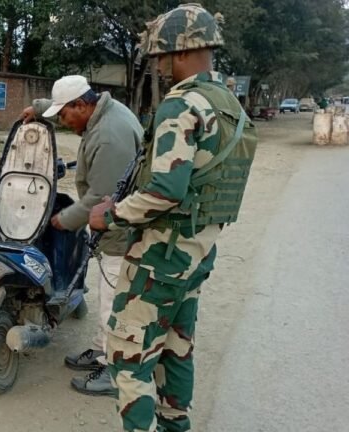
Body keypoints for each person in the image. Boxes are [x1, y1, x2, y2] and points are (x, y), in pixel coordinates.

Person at [88, 4, 258, 431]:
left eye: (160, 56)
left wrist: (110, 217)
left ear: (180, 53)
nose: (158, 66)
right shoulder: (229, 105)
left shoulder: (182, 104)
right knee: (176, 347)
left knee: (128, 357)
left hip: (160, 258)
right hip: (196, 253)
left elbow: (165, 189)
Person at [21, 75, 143, 396]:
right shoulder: (101, 111)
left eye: (63, 115)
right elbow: (64, 108)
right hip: (113, 228)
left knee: (116, 303)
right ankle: (104, 350)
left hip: (122, 230)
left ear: (81, 105)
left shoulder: (109, 136)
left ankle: (117, 373)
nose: (62, 122)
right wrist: (39, 109)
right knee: (107, 295)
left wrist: (63, 220)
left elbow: (102, 199)